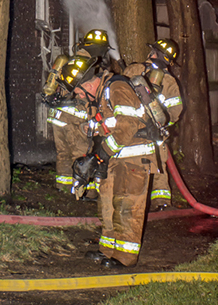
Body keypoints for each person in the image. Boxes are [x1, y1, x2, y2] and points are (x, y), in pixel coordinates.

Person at [71, 64, 160, 268]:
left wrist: (102, 153)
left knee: (127, 205)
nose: (78, 95)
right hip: (116, 157)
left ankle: (125, 257)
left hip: (134, 158)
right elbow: (105, 126)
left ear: (91, 84)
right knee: (108, 203)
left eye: (78, 89)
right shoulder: (101, 95)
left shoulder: (117, 88)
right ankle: (108, 250)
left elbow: (127, 127)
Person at [43, 30, 111, 197]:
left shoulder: (71, 62)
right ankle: (85, 193)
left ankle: (64, 187)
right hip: (77, 116)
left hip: (58, 114)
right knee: (81, 154)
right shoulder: (91, 66)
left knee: (63, 153)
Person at [123, 38, 182, 210]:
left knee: (156, 164)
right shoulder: (169, 81)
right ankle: (159, 201)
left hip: (140, 128)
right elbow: (176, 110)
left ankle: (158, 200)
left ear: (155, 54)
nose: (151, 54)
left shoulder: (136, 70)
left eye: (153, 51)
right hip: (145, 128)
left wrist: (161, 122)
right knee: (158, 165)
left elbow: (175, 109)